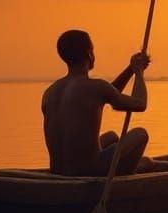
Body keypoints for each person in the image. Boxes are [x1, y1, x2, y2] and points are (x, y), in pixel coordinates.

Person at [42, 29, 152, 177]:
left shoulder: (50, 92)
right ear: (89, 54)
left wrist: (130, 69)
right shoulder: (95, 87)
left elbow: (110, 93)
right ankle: (126, 175)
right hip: (88, 170)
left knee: (112, 137)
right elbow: (140, 103)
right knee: (140, 134)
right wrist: (139, 72)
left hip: (58, 170)